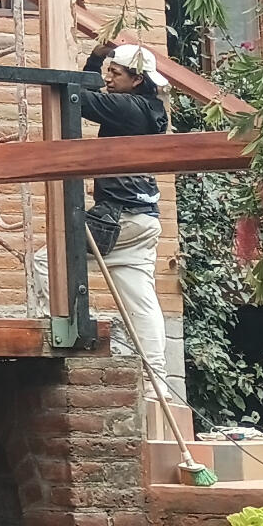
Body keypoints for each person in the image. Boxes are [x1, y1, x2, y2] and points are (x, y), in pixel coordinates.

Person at [78, 41, 176, 399]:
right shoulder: (150, 109)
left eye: (115, 73)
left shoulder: (128, 107)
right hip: (143, 218)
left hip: (116, 216)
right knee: (141, 302)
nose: (108, 79)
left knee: (49, 263)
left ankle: (61, 342)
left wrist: (94, 57)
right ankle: (156, 386)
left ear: (137, 80)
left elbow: (79, 98)